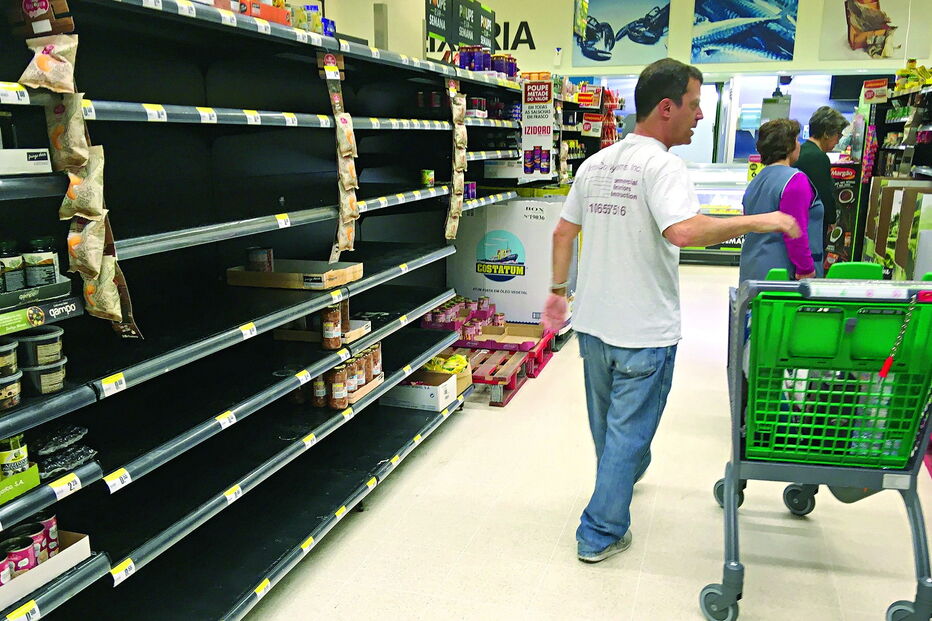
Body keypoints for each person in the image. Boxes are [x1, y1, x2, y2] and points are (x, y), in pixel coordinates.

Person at [542, 58, 801, 564]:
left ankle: (626, 471)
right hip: (644, 331)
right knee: (627, 431)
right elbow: (682, 231)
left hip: (594, 325)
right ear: (666, 107)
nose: (700, 116)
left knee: (609, 426)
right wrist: (761, 221)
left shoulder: (596, 164)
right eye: (694, 105)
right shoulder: (663, 166)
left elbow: (563, 232)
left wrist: (556, 290)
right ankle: (600, 532)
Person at [739, 119, 825, 283]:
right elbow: (795, 230)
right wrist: (806, 269)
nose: (799, 145)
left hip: (753, 268)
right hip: (783, 274)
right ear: (788, 146)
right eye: (797, 140)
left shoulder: (757, 180)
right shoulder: (795, 180)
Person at [794, 106, 849, 250]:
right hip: (811, 223)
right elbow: (823, 194)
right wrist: (831, 219)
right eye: (838, 135)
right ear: (826, 133)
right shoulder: (818, 157)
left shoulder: (803, 151)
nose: (838, 141)